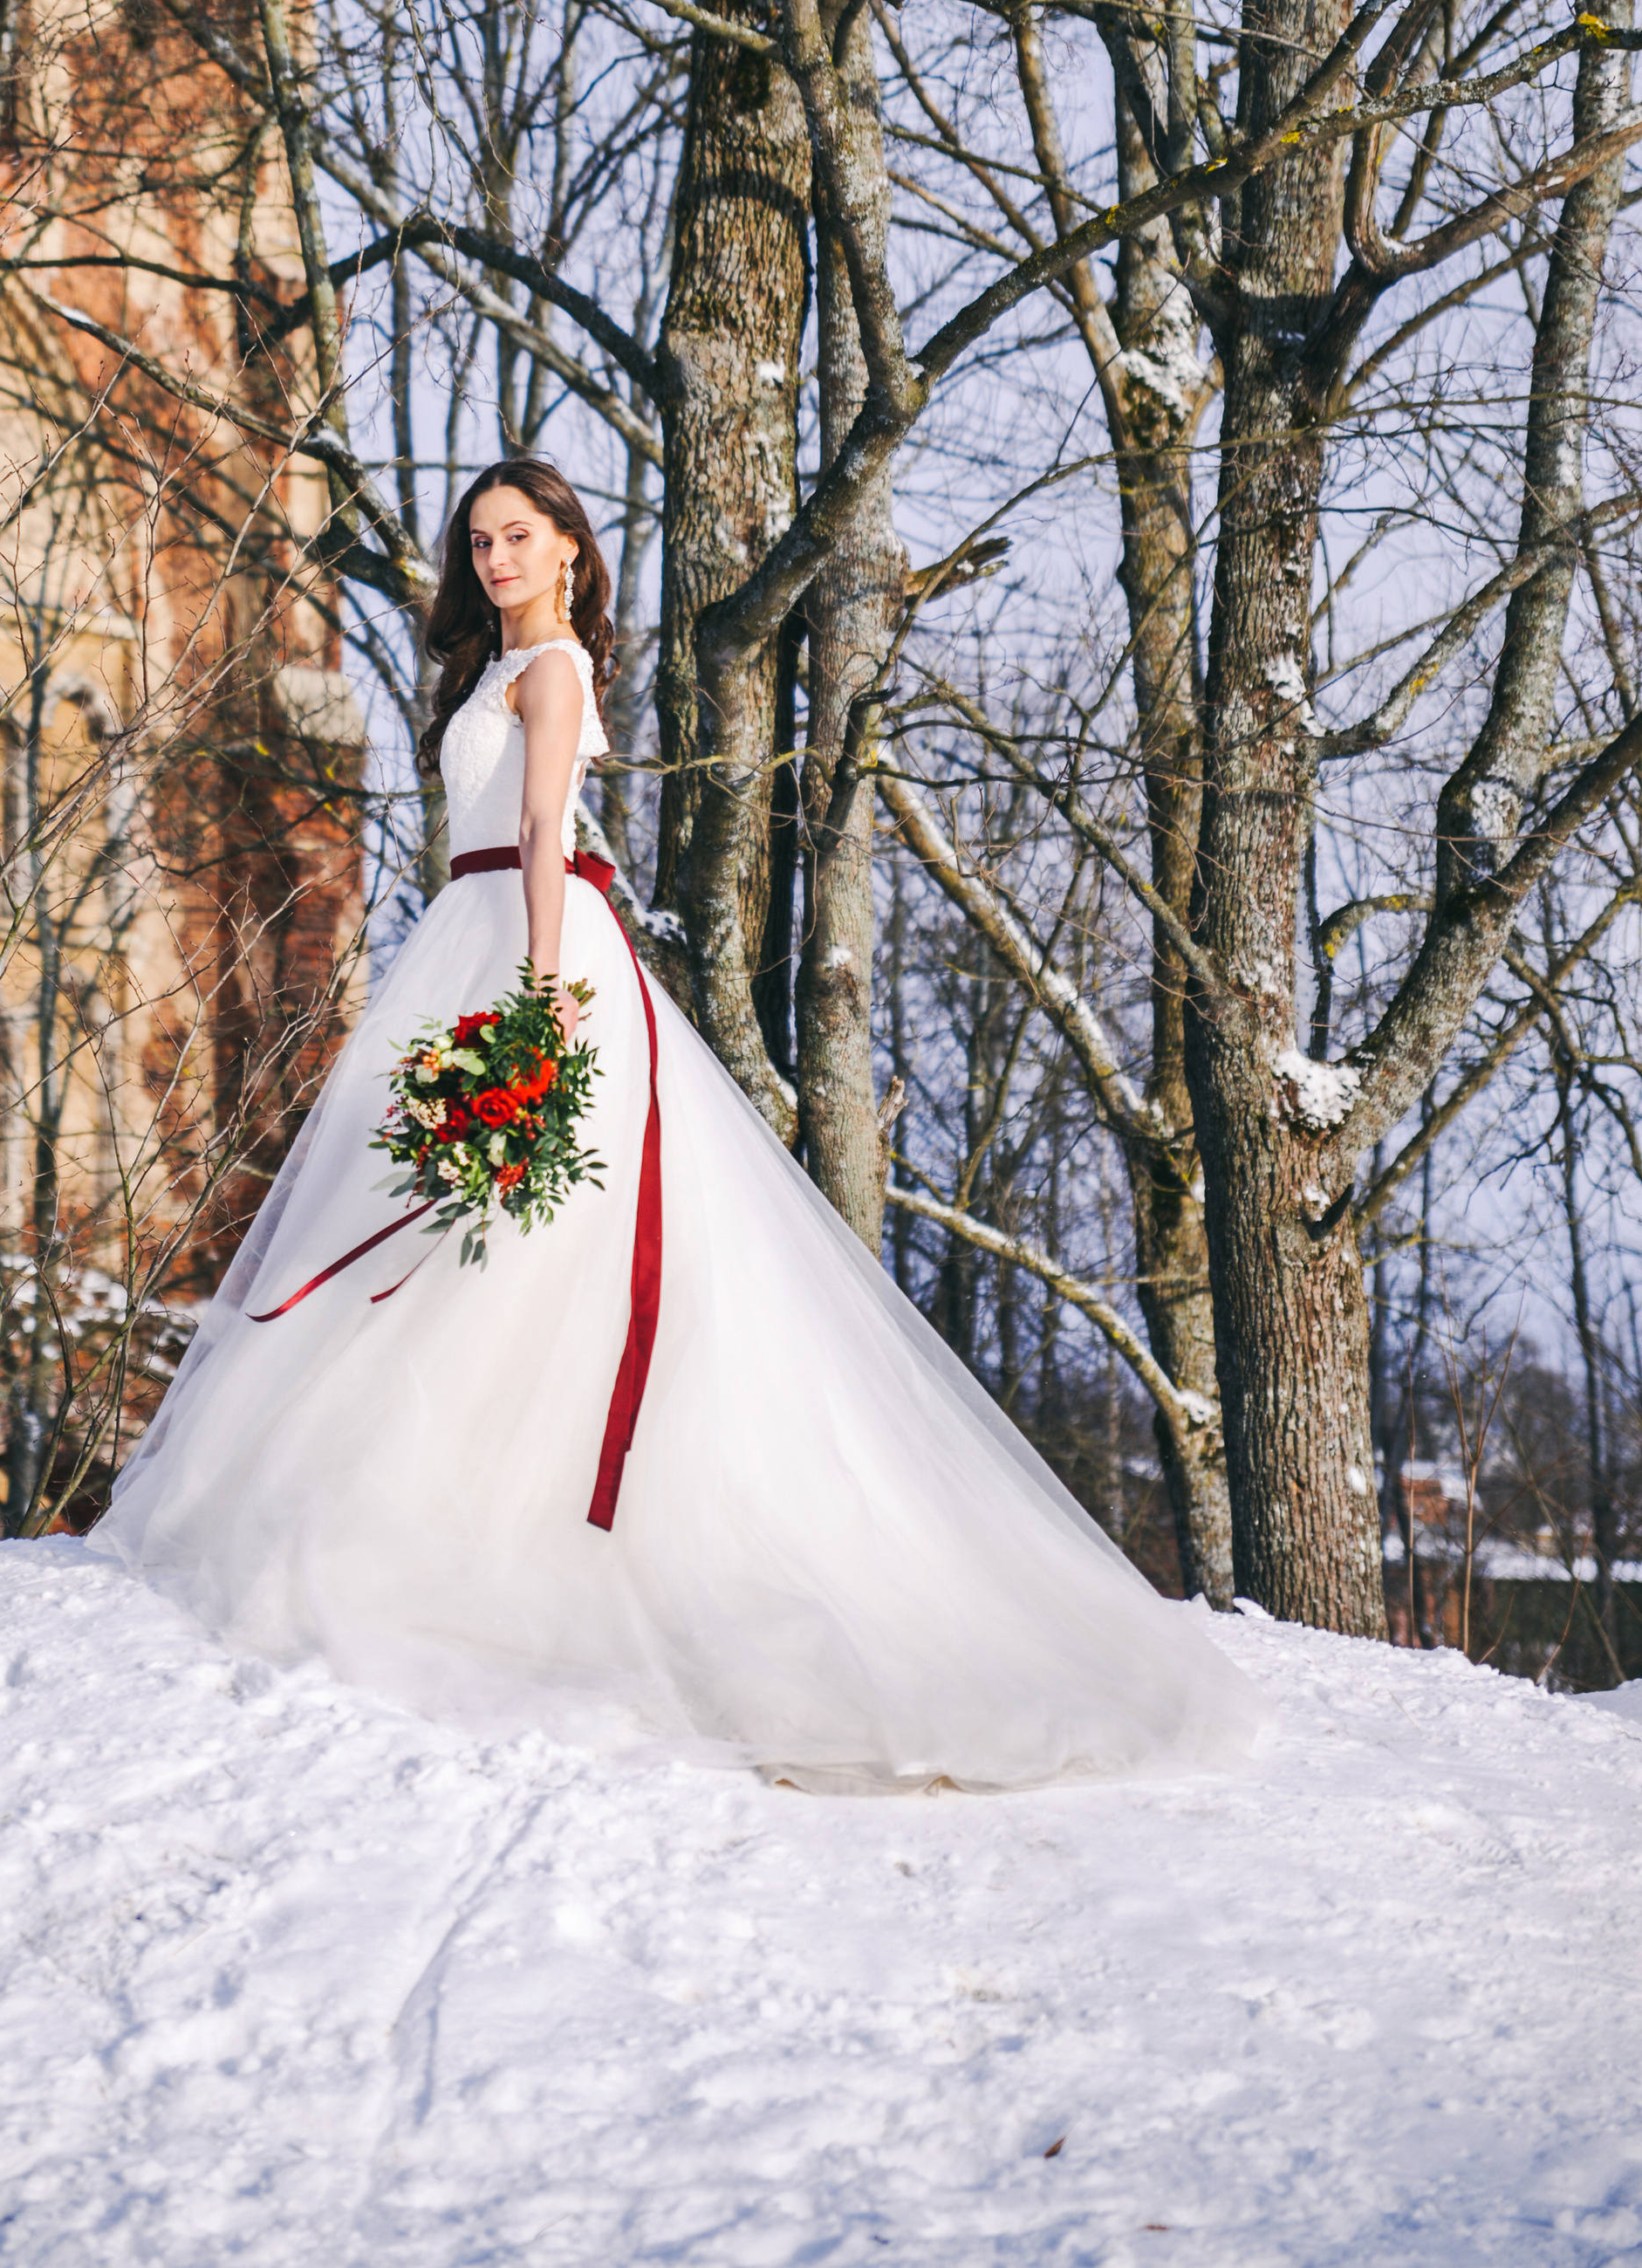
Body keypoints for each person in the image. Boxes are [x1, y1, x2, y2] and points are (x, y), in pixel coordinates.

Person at [91, 457, 1261, 1790]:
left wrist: (534, 998)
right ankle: (438, 1502)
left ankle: (508, 1526)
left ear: (571, 550)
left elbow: (541, 829)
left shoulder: (555, 672)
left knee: (529, 1231)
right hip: (475, 930)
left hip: (531, 943)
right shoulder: (495, 667)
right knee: (463, 1227)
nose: (494, 558)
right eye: (479, 540)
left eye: (518, 536)